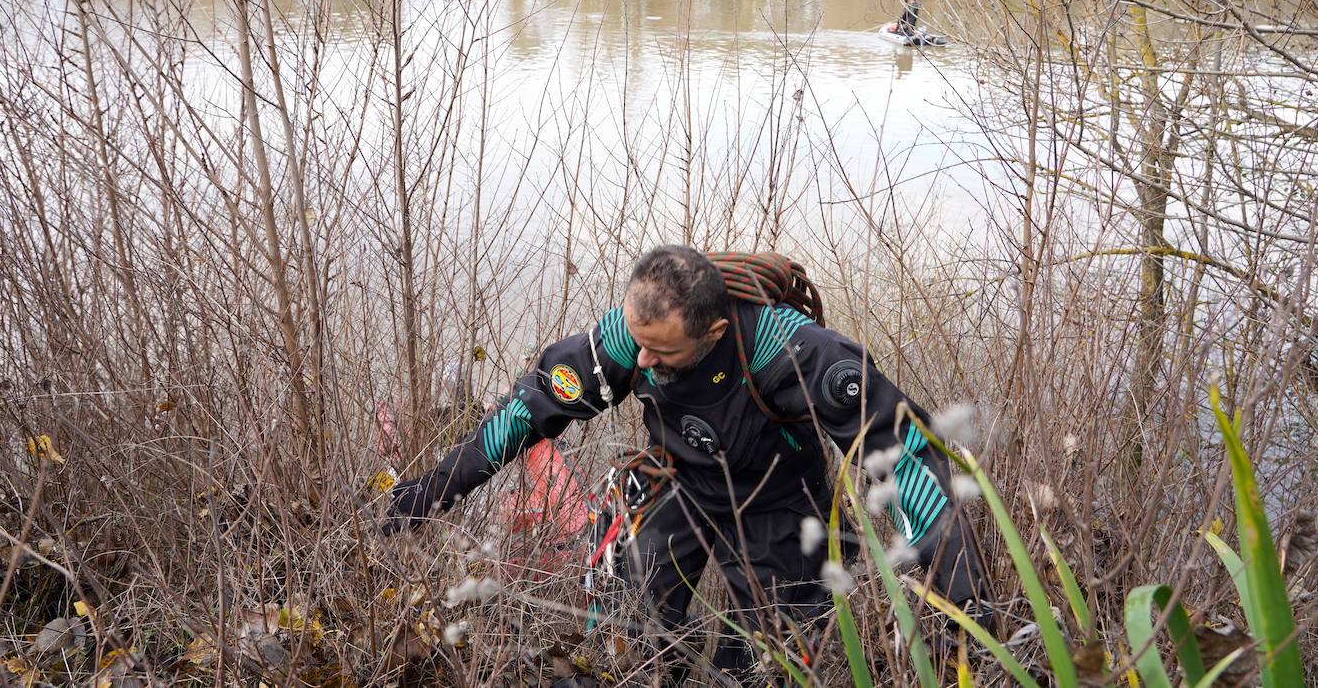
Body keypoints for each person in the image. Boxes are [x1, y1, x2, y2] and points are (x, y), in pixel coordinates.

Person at [385, 246, 985, 684]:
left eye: (661, 351)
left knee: (776, 665)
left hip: (778, 501)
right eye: (637, 342)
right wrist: (428, 494)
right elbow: (525, 413)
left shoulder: (791, 352)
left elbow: (907, 459)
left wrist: (963, 609)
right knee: (622, 637)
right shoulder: (629, 336)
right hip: (679, 480)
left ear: (713, 332)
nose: (641, 359)